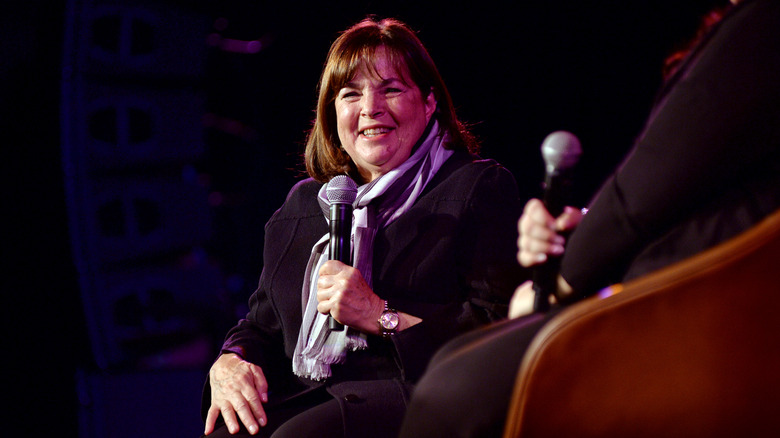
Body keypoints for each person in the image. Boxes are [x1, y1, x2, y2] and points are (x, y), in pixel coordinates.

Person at [399, 0, 780, 436]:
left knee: (453, 389)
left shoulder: (766, 23)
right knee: (454, 367)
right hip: (689, 301)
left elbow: (646, 190)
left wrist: (560, 283)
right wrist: (583, 229)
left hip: (698, 322)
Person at [200, 17, 525, 438]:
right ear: (332, 113)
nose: (370, 108)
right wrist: (229, 361)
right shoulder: (305, 203)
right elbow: (262, 326)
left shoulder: (476, 187)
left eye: (390, 89)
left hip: (417, 398)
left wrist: (378, 315)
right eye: (350, 94)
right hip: (308, 395)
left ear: (429, 103)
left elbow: (497, 334)